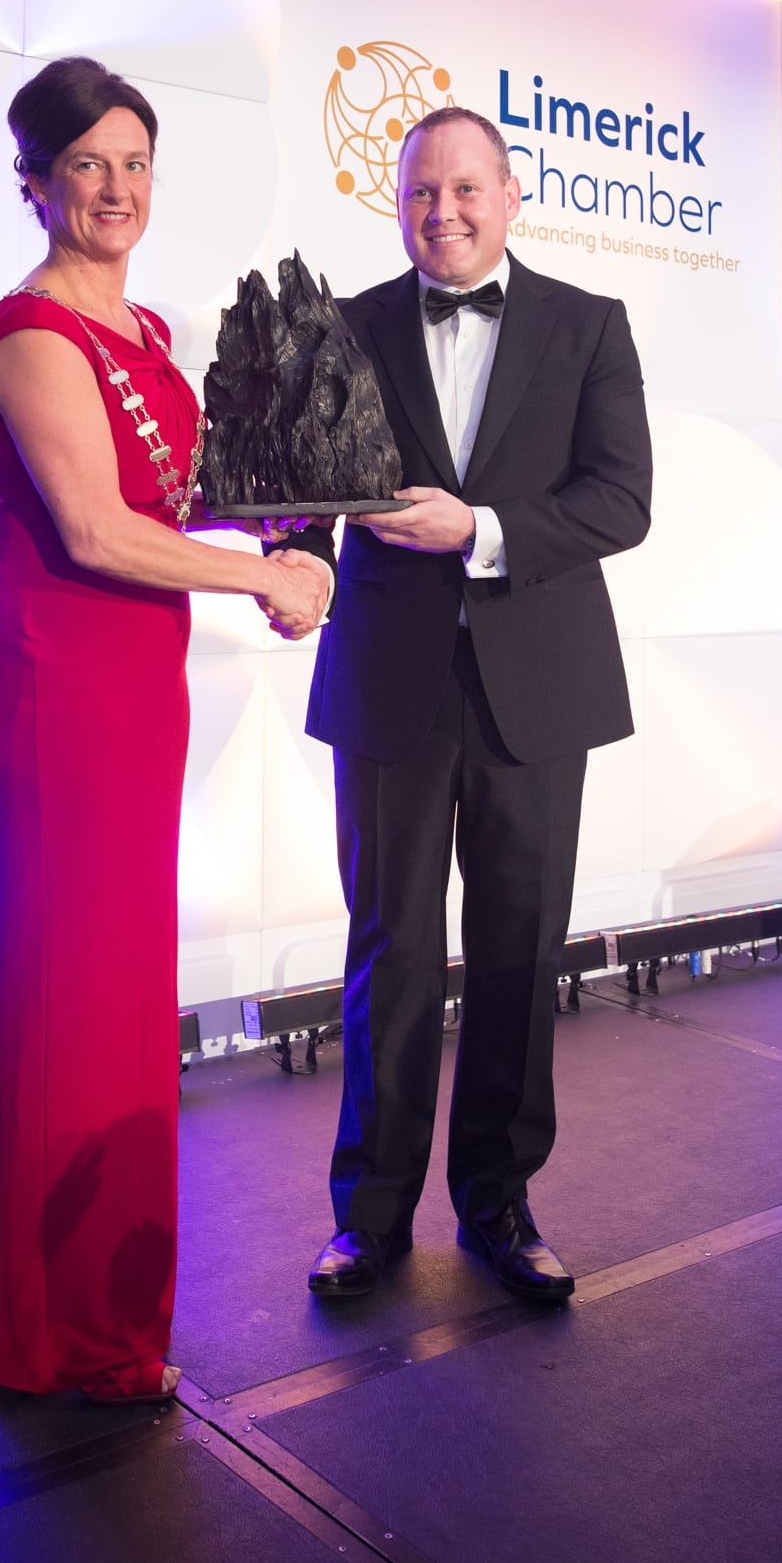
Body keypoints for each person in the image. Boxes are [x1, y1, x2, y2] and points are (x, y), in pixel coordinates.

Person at [0, 56, 327, 1401]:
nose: (115, 188)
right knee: (66, 999)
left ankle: (105, 1318)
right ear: (36, 186)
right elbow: (101, 532)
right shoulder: (31, 335)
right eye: (86, 166)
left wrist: (310, 536)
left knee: (115, 1001)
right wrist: (263, 576)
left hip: (136, 688)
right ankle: (52, 1336)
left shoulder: (154, 334)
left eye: (134, 163)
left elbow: (190, 501)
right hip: (58, 685)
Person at [290, 105, 652, 1304]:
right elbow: (302, 496)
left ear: (511, 195)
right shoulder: (341, 328)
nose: (440, 213)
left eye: (462, 191)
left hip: (536, 690)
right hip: (389, 682)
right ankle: (372, 1215)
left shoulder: (589, 326)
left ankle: (498, 1203)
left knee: (516, 951)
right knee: (389, 951)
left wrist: (482, 530)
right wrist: (284, 566)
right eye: (417, 196)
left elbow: (621, 502)